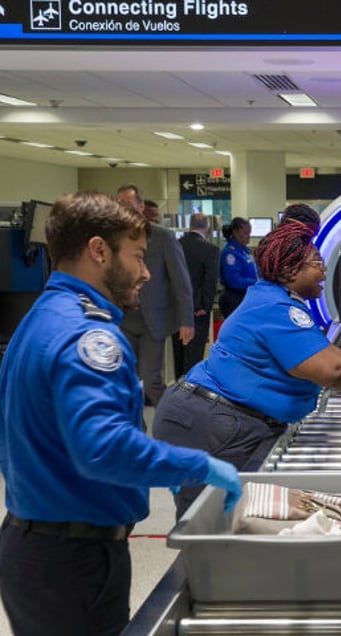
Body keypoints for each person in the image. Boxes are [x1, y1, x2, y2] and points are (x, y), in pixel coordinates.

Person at [0, 191, 241, 636]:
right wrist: (196, 464)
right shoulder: (89, 339)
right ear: (98, 250)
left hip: (34, 545)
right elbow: (102, 448)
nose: (147, 273)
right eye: (137, 256)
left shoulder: (40, 318)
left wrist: (145, 463)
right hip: (74, 559)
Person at [153, 203, 341, 519]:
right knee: (210, 522)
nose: (325, 270)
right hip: (210, 422)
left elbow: (331, 356)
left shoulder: (273, 299)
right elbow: (334, 369)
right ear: (290, 270)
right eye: (317, 262)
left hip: (217, 415)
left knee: (229, 518)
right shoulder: (275, 309)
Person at [116, 185, 194, 406]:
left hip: (153, 319)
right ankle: (135, 427)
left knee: (151, 380)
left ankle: (174, 418)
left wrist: (186, 319)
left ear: (140, 206)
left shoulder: (162, 237)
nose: (123, 209)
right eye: (119, 205)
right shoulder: (113, 237)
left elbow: (181, 279)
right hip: (123, 318)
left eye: (128, 205)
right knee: (126, 380)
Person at [172, 213, 220, 379]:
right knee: (194, 354)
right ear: (207, 228)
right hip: (197, 311)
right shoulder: (211, 250)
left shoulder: (175, 245)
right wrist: (204, 306)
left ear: (190, 226)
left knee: (178, 353)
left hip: (176, 309)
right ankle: (190, 391)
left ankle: (177, 389)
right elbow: (210, 281)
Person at [219, 216, 258, 317]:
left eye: (249, 233)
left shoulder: (245, 251)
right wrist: (256, 282)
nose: (249, 237)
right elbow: (234, 280)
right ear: (236, 233)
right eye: (246, 234)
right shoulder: (230, 253)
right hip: (235, 298)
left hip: (246, 295)